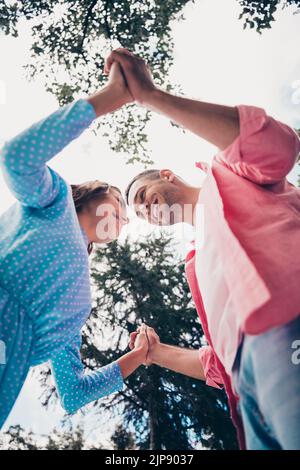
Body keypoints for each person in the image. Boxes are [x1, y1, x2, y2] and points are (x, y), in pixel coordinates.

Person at [106, 48, 300, 450]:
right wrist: (155, 354)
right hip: (250, 398)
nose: (144, 209)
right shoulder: (196, 265)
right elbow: (216, 361)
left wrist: (152, 96)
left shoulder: (227, 171)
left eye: (143, 196)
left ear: (167, 175)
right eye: (139, 212)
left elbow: (278, 147)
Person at [0, 62, 149, 427]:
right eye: (120, 203)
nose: (124, 220)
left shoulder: (81, 303)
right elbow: (15, 158)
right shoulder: (54, 201)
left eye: (126, 222)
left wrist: (140, 355)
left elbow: (74, 392)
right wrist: (108, 98)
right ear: (93, 193)